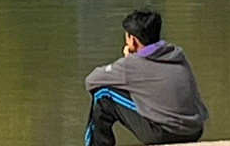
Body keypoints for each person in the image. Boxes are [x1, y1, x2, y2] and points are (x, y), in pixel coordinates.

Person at [84, 9, 207, 146]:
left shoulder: (131, 65)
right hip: (195, 130)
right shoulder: (176, 54)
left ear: (132, 40)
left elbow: (91, 80)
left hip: (164, 133)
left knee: (102, 94)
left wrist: (127, 60)